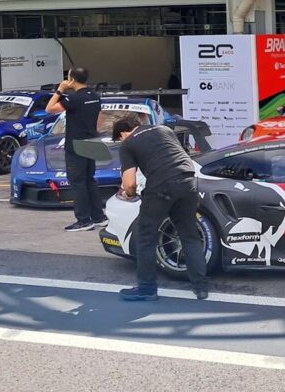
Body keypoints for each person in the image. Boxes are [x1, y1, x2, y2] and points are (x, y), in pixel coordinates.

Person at [112, 116, 209, 301]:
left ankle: (147, 289)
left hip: (161, 186)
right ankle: (201, 288)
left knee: (145, 236)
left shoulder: (128, 144)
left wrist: (129, 194)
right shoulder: (164, 129)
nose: (121, 142)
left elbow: (129, 183)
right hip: (189, 182)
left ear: (123, 133)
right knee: (189, 235)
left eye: (119, 139)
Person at [45, 67, 107, 232]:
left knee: (78, 182)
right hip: (92, 141)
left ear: (72, 79)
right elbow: (100, 120)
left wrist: (60, 90)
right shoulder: (94, 96)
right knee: (89, 180)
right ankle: (99, 217)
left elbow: (49, 109)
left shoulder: (73, 98)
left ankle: (84, 220)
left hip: (76, 144)